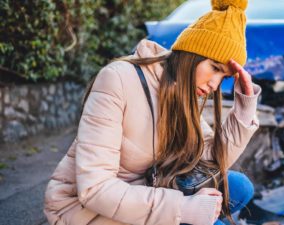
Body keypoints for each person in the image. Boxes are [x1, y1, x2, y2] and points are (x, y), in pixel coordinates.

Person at [43, 0, 261, 224]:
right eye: (214, 68)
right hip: (83, 206)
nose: (215, 85)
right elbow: (95, 188)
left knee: (238, 187)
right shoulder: (118, 79)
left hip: (146, 187)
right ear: (191, 54)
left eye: (224, 77)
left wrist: (244, 108)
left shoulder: (183, 91)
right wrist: (183, 208)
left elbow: (210, 158)